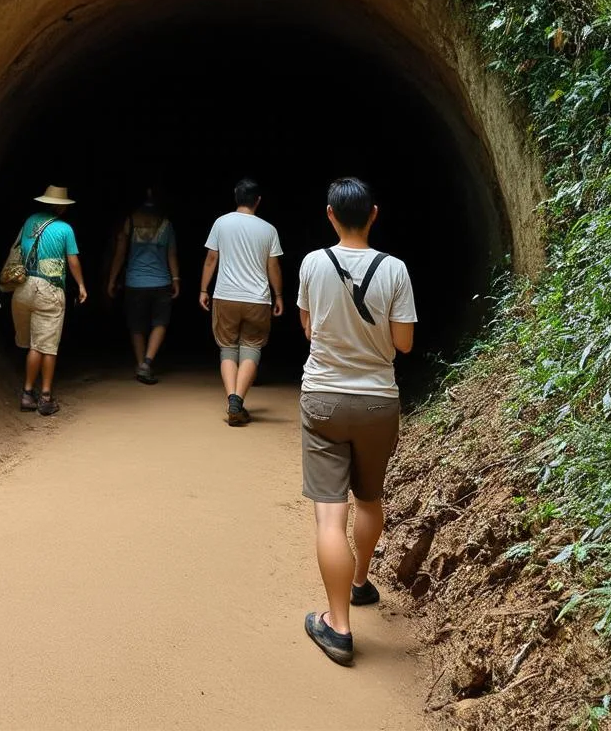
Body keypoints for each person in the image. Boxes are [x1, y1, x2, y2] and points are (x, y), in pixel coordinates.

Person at [296, 177, 416, 666]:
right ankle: (362, 581)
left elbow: (308, 328)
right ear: (373, 214)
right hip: (377, 403)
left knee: (331, 514)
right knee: (370, 497)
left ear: (329, 214)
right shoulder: (396, 270)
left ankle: (338, 626)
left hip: (323, 398)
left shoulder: (311, 263)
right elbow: (404, 343)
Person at [199, 178, 284, 426]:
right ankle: (237, 400)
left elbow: (210, 259)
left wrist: (203, 289)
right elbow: (273, 267)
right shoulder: (269, 229)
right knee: (252, 347)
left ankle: (232, 401)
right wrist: (278, 295)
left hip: (225, 295)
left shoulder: (221, 223)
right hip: (257, 299)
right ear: (258, 201)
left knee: (227, 348)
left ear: (236, 198)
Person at [9, 185, 88, 416]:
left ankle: (26, 394)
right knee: (46, 347)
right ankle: (44, 397)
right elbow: (72, 261)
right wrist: (81, 285)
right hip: (49, 291)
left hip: (22, 289)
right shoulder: (65, 229)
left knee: (32, 345)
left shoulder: (30, 221)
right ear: (62, 208)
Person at [107, 189, 181, 385]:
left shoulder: (129, 222)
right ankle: (148, 362)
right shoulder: (166, 224)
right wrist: (176, 279)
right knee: (160, 322)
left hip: (135, 282)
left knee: (136, 325)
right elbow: (171, 254)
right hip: (161, 281)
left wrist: (112, 280)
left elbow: (120, 254)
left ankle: (141, 363)